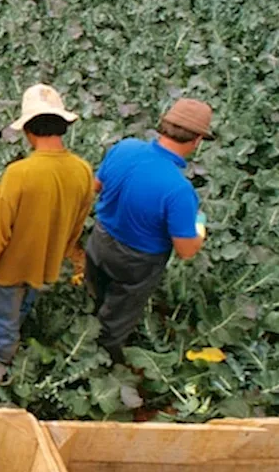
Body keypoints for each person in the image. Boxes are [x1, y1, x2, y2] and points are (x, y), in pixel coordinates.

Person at [0, 85, 94, 364]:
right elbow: (77, 226)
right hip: (46, 267)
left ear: (28, 131)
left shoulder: (18, 174)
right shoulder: (82, 170)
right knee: (20, 310)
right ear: (63, 126)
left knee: (0, 326)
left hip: (8, 271)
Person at [85, 98, 214, 364]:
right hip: (136, 262)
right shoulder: (179, 190)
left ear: (162, 126)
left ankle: (85, 330)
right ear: (197, 140)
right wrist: (198, 225)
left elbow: (94, 187)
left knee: (96, 294)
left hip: (99, 240)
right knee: (118, 315)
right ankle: (99, 360)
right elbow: (186, 250)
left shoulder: (124, 148)